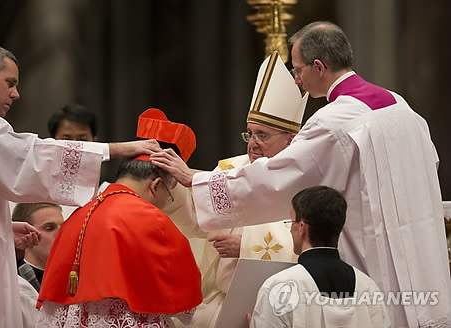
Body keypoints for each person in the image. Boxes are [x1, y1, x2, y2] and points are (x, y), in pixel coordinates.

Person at [151, 22, 451, 327]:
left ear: (318, 67)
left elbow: (280, 178)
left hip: (372, 244)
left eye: (297, 71)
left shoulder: (333, 121)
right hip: (417, 241)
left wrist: (196, 180)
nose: (297, 80)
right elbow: (431, 164)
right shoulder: (401, 107)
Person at [0, 42, 160, 328]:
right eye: (10, 83)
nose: (16, 93)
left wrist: (0, 227)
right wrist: (114, 149)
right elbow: (32, 158)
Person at [169, 51, 308, 328]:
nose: (253, 143)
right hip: (229, 298)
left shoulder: (305, 177)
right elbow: (198, 222)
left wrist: (247, 247)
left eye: (263, 135)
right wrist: (171, 192)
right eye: (250, 133)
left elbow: (313, 245)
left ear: (290, 140)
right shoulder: (230, 169)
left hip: (291, 302)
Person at [37, 108, 202, 328]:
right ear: (157, 184)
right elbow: (187, 306)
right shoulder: (150, 217)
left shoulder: (80, 213)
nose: (165, 203)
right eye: (169, 196)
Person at [250, 186, 390, 327]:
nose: (290, 230)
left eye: (291, 222)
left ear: (302, 228)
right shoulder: (367, 286)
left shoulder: (279, 288)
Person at [12, 203, 64, 289]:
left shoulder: (74, 279)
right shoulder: (14, 284)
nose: (62, 233)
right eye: (49, 228)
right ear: (24, 234)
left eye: (63, 227)